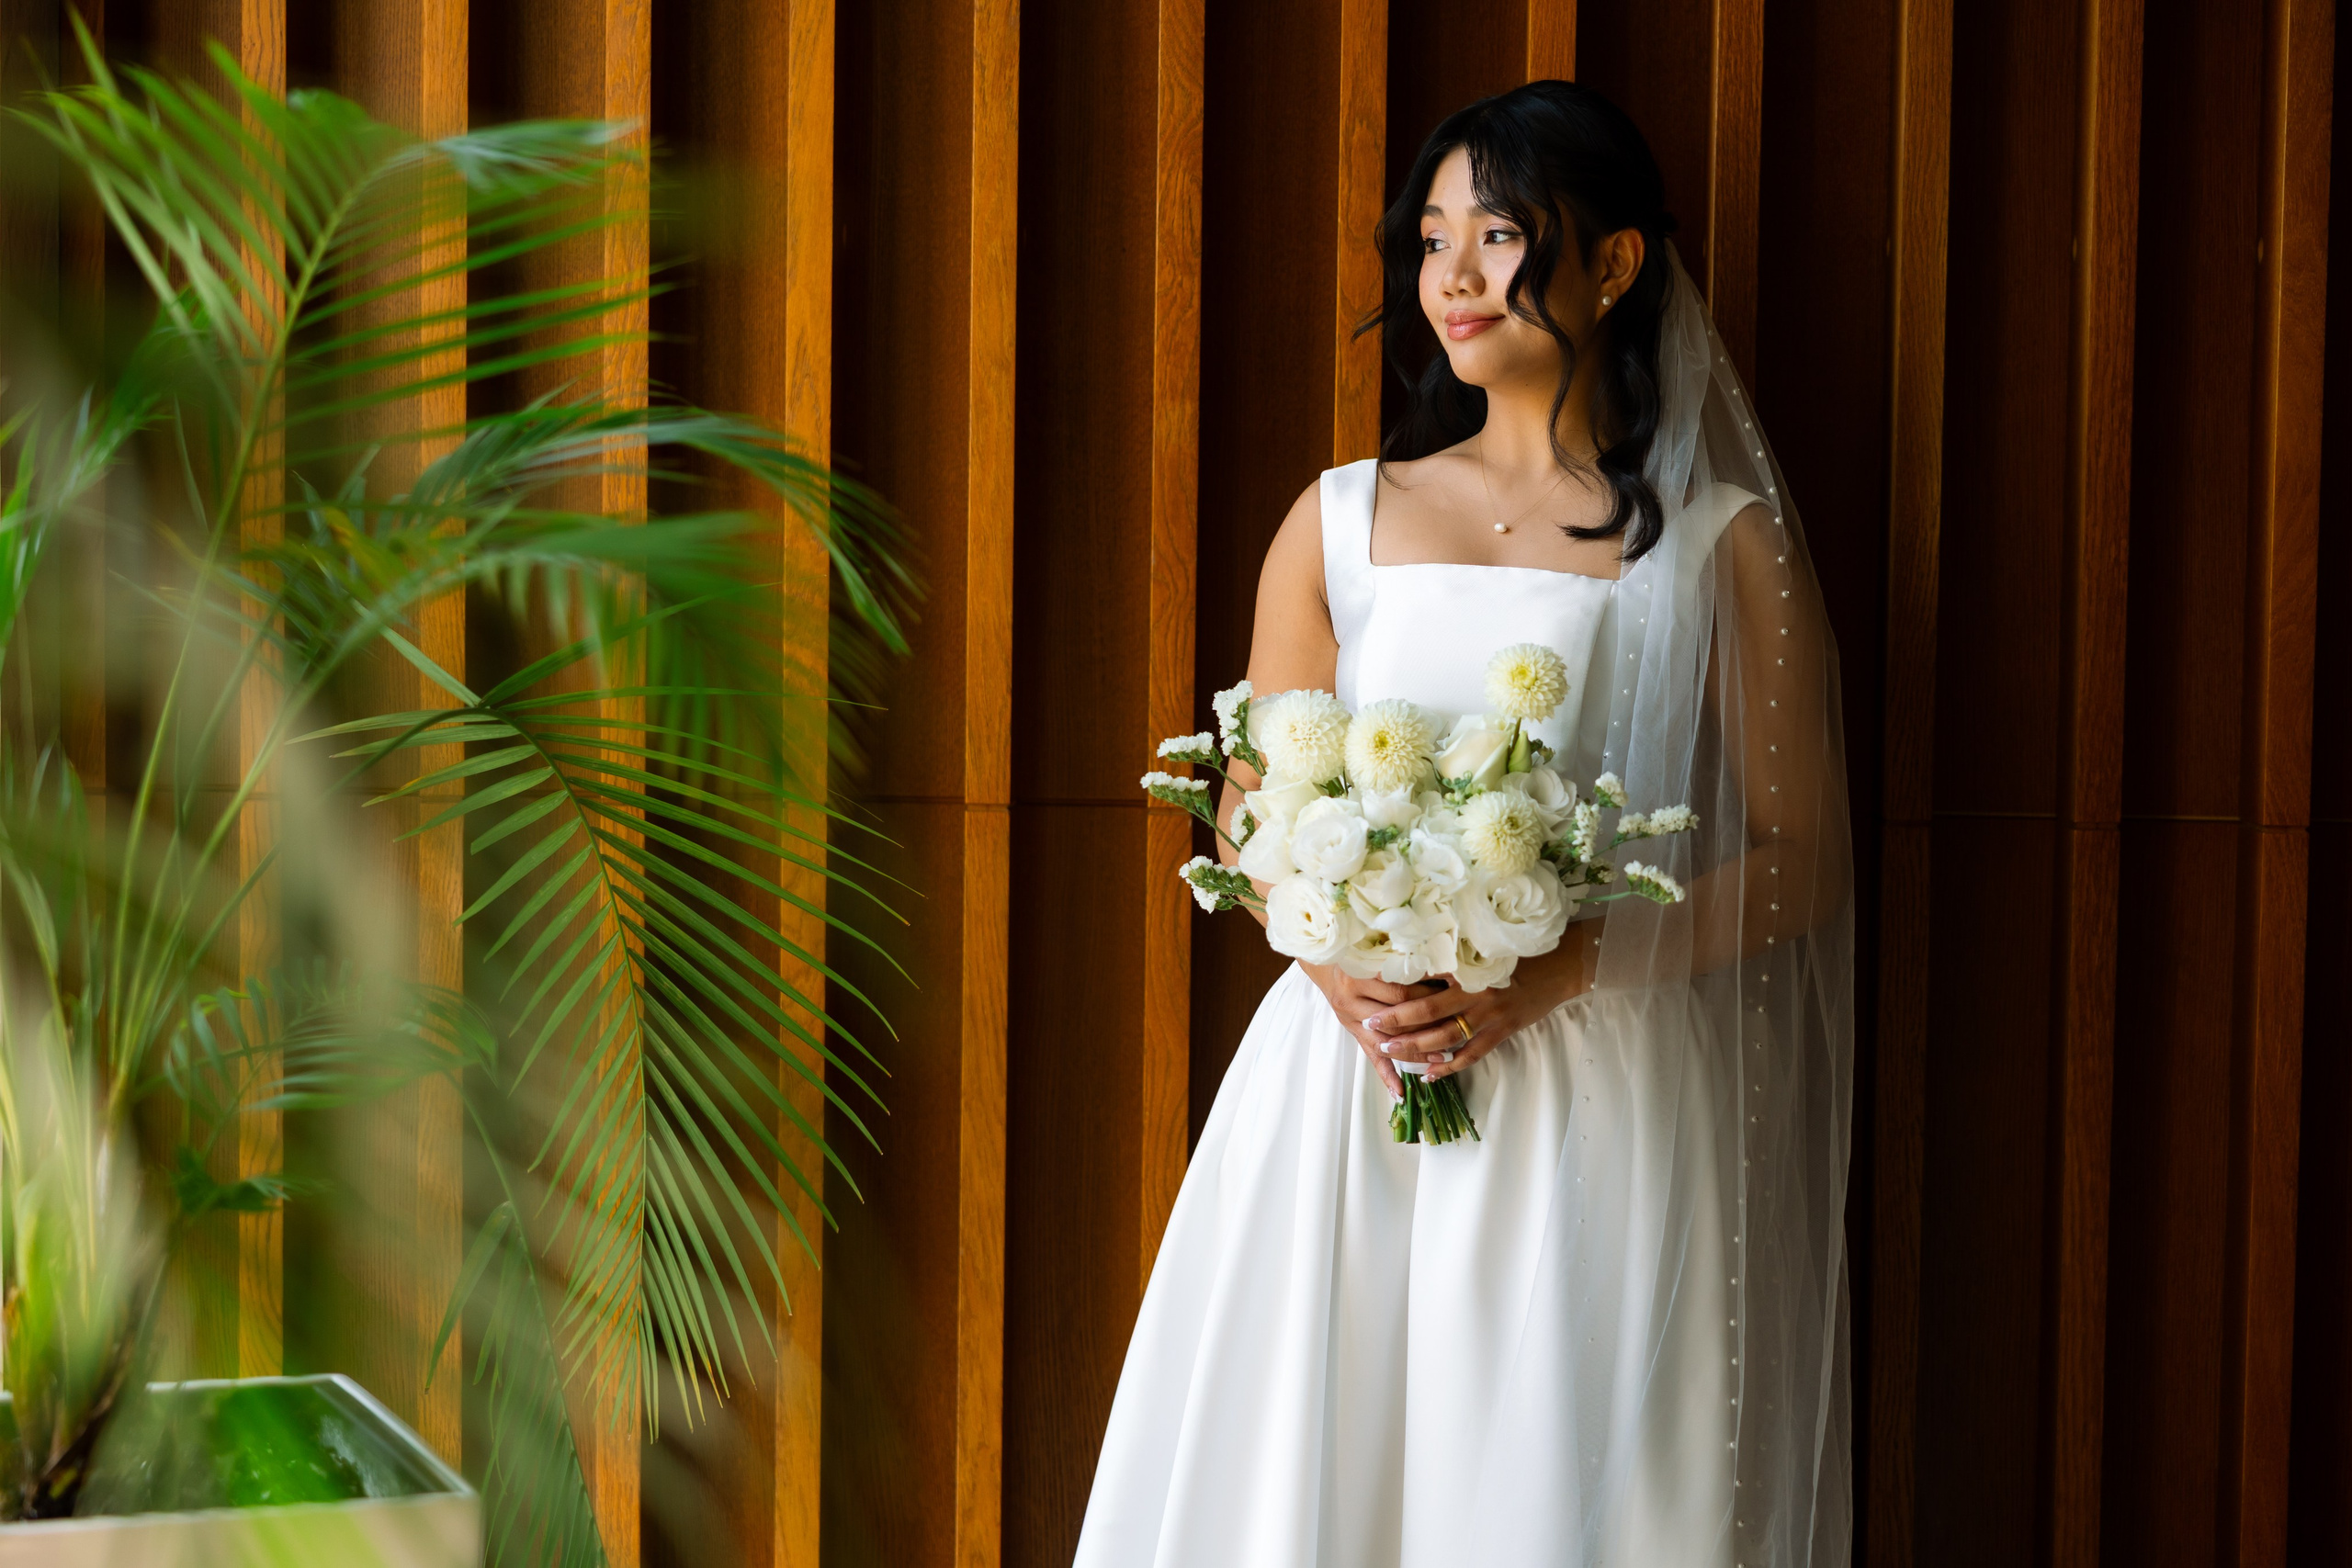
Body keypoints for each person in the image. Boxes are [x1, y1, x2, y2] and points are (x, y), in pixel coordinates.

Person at [1076, 80, 1854, 1567]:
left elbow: (1802, 866)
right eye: (1432, 238)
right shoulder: (1339, 520)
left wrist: (1560, 972)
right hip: (1348, 1080)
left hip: (1601, 1083)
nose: (1451, 278)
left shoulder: (1715, 549)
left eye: (1499, 234)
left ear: (1613, 264)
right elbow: (1253, 811)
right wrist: (1337, 963)